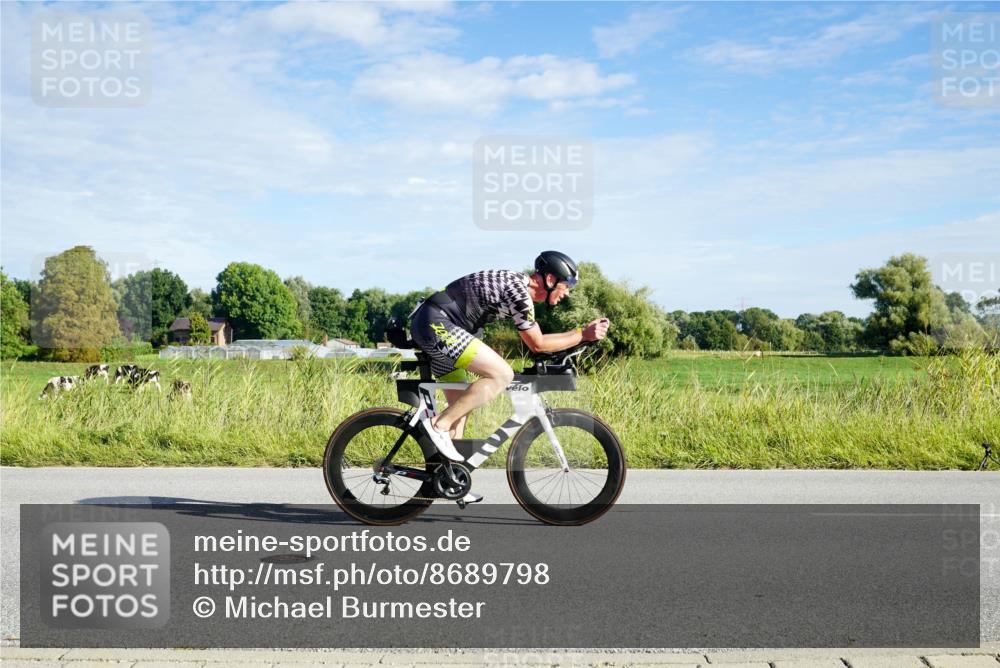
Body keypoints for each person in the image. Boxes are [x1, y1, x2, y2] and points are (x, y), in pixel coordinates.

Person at [409, 251, 611, 503]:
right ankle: (437, 425)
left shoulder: (518, 289)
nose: (567, 292)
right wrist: (582, 334)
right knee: (502, 374)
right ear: (549, 279)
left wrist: (578, 338)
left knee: (461, 406)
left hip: (436, 323)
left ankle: (449, 479)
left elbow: (538, 342)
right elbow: (537, 344)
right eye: (566, 285)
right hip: (437, 324)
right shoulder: (519, 292)